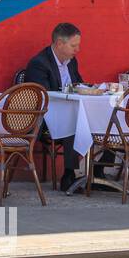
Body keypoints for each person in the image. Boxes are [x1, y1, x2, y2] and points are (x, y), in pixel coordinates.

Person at [24, 21, 101, 192]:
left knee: (105, 118)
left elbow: (78, 84)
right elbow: (43, 96)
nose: (77, 50)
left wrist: (93, 88)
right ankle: (69, 174)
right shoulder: (39, 64)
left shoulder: (71, 62)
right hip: (44, 118)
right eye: (74, 45)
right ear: (59, 44)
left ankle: (99, 171)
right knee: (73, 123)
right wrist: (75, 90)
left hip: (70, 112)